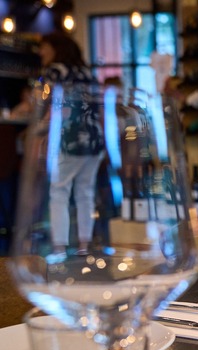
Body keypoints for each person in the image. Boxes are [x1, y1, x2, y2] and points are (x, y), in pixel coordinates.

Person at [39, 33, 104, 260]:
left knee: (59, 191)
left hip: (71, 138)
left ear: (56, 48)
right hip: (95, 138)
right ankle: (84, 247)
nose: (41, 52)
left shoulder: (54, 71)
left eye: (44, 47)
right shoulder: (87, 72)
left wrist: (41, 125)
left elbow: (55, 107)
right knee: (85, 192)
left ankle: (59, 249)